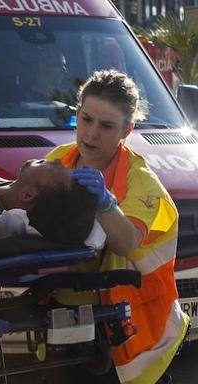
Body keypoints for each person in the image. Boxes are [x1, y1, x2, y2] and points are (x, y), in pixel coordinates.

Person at [45, 69, 189, 384]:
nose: (91, 134)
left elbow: (126, 242)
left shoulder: (141, 181)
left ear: (127, 130)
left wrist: (106, 203)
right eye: (85, 119)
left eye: (106, 126)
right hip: (67, 313)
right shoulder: (58, 161)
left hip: (130, 322)